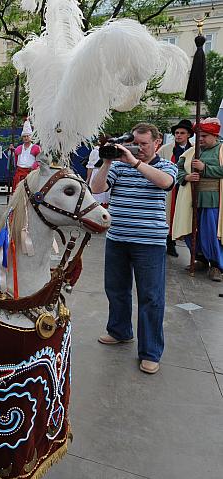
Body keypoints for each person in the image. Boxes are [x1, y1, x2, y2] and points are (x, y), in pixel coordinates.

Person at [90, 123, 177, 374]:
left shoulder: (165, 165)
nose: (137, 149)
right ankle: (119, 331)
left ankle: (150, 351)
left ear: (156, 143)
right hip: (117, 238)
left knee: (151, 297)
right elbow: (96, 189)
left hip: (149, 242)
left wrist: (136, 163)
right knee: (116, 289)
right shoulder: (118, 166)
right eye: (134, 144)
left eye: (143, 144)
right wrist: (107, 161)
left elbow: (166, 183)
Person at [173, 117, 223, 282]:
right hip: (191, 198)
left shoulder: (221, 150)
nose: (200, 139)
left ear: (215, 135)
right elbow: (178, 169)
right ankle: (200, 259)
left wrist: (205, 168)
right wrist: (186, 176)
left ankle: (216, 265)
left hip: (213, 199)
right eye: (199, 136)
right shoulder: (191, 151)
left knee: (210, 233)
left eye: (204, 136)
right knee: (191, 231)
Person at [158, 119, 194, 257]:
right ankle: (170, 242)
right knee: (168, 214)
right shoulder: (166, 149)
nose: (178, 135)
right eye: (177, 133)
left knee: (185, 213)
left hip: (187, 187)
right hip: (170, 187)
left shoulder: (195, 148)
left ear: (188, 135)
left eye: (182, 133)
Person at [9, 119, 41, 192]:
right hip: (19, 172)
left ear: (31, 137)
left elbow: (39, 160)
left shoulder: (36, 148)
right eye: (24, 136)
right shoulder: (18, 148)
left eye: (28, 136)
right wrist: (12, 151)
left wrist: (34, 168)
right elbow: (15, 159)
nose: (26, 138)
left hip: (31, 173)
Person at [86, 134, 111, 208]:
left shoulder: (110, 151)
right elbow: (90, 166)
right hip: (97, 173)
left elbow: (90, 167)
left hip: (106, 172)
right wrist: (88, 179)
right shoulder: (96, 151)